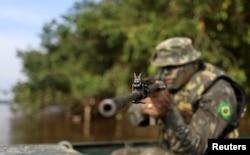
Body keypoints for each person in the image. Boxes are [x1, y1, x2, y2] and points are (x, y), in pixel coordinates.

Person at [111, 37, 247, 155]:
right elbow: (133, 117)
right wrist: (145, 110)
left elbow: (195, 149)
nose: (165, 73)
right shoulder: (167, 79)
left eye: (172, 66)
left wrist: (169, 111)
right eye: (162, 67)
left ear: (193, 63)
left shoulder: (218, 90)